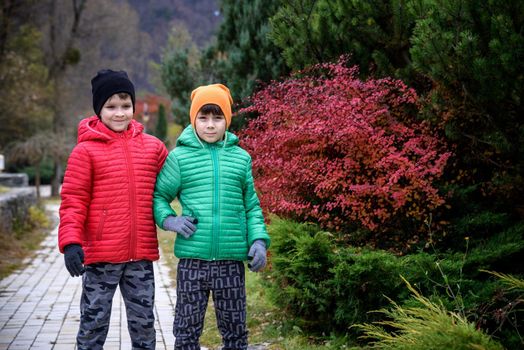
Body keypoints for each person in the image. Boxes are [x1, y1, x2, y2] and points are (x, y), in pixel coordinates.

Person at [153, 83, 270, 350]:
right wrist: (170, 220)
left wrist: (259, 241)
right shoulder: (179, 158)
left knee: (236, 334)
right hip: (192, 263)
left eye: (217, 118)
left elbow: (251, 206)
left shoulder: (241, 159)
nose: (210, 125)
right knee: (186, 333)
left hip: (230, 263)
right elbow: (159, 196)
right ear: (193, 119)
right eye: (203, 117)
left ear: (227, 120)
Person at [58, 69, 168, 350]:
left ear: (134, 106)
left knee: (144, 325)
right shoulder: (85, 152)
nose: (119, 113)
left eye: (125, 105)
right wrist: (71, 242)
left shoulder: (153, 147)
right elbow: (73, 200)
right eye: (111, 107)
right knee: (94, 322)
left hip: (140, 258)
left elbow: (175, 182)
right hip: (100, 258)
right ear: (99, 109)